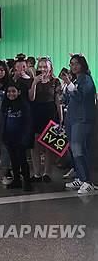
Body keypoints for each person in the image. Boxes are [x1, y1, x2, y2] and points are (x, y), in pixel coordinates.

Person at [62, 54, 96, 194]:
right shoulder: (75, 80)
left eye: (76, 63)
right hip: (72, 119)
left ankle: (87, 181)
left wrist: (69, 84)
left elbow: (81, 96)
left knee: (78, 149)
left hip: (82, 119)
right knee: (74, 149)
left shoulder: (86, 79)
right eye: (71, 64)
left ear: (82, 64)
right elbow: (68, 99)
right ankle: (81, 178)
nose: (73, 66)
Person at [28, 57, 62, 183]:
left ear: (50, 68)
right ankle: (36, 173)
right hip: (36, 113)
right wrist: (34, 83)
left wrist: (60, 119)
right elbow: (31, 98)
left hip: (50, 113)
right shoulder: (33, 80)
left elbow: (58, 101)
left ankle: (47, 172)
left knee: (49, 146)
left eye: (45, 67)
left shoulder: (55, 81)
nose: (42, 69)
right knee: (35, 145)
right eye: (40, 67)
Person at [2, 82, 32, 191]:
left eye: (13, 91)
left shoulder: (24, 105)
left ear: (19, 92)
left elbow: (28, 122)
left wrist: (25, 137)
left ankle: (27, 181)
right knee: (13, 161)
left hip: (20, 138)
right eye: (9, 92)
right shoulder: (6, 104)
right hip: (9, 138)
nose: (11, 94)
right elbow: (4, 121)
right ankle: (16, 180)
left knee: (22, 160)